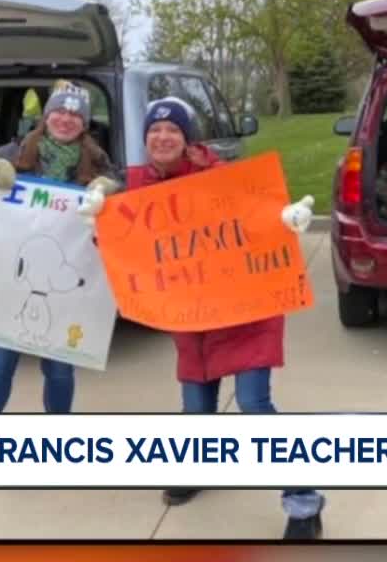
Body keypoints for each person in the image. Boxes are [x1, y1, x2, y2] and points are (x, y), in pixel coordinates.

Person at [92, 96, 325, 539]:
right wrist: (98, 228)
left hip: (245, 313)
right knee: (196, 411)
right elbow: (128, 248)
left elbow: (257, 218)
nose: (162, 138)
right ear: (145, 140)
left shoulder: (221, 179)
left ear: (187, 138)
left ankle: (304, 503)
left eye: (172, 131)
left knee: (255, 406)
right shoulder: (137, 189)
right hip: (193, 318)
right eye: (154, 131)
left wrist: (285, 220)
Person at [0, 80, 121, 414]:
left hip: (65, 289)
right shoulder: (15, 152)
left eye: (75, 114)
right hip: (11, 283)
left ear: (84, 123)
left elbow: (124, 200)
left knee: (60, 371)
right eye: (59, 110)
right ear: (46, 115)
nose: (66, 119)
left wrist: (110, 188)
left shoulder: (97, 161)